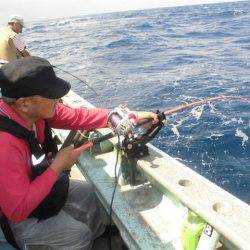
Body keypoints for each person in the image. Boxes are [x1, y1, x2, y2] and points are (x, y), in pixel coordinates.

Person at [0, 56, 158, 249]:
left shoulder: (32, 111)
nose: (57, 99)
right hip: (9, 218)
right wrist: (57, 166)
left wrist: (121, 116)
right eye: (51, 95)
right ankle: (84, 242)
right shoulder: (5, 144)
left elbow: (77, 116)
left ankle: (99, 238)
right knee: (77, 235)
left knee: (85, 191)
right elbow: (17, 211)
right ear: (24, 103)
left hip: (31, 182)